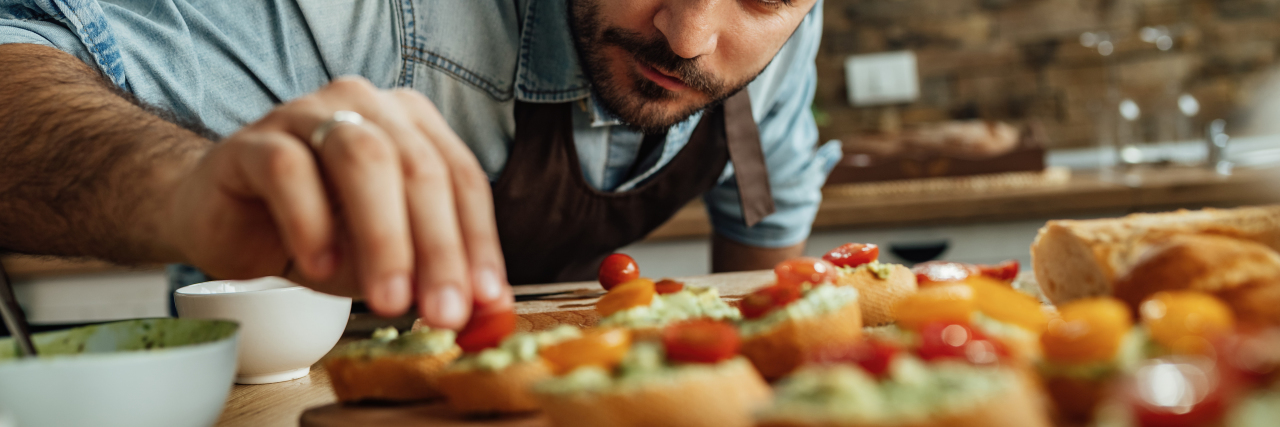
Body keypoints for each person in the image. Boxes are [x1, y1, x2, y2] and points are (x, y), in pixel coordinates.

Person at [0, 0, 839, 330]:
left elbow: (765, 208)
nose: (689, 37)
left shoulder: (779, 40)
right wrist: (183, 189)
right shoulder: (376, 15)